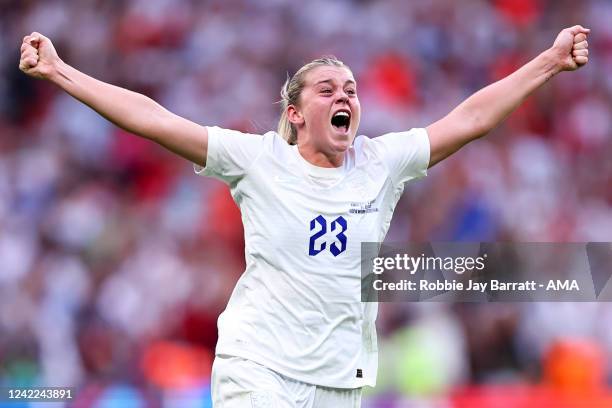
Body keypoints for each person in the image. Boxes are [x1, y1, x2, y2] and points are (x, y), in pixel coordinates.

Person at [19, 24, 590, 408]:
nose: (344, 96)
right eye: (326, 89)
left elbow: (470, 118)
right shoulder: (258, 159)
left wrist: (548, 61)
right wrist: (62, 73)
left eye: (351, 89)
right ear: (294, 113)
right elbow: (154, 118)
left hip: (339, 382)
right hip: (257, 367)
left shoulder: (379, 163)